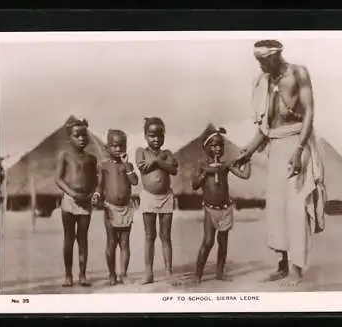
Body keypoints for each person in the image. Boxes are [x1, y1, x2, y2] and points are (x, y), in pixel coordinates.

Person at [233, 40, 327, 285]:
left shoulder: (298, 73)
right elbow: (265, 129)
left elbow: (309, 113)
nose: (260, 64)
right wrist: (247, 152)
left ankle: (297, 269)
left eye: (264, 60)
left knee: (296, 208)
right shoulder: (262, 81)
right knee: (277, 209)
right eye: (257, 60)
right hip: (275, 148)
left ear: (277, 55)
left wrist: (299, 149)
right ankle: (283, 265)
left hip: (297, 142)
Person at [191, 127, 251, 283]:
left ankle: (219, 273)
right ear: (206, 147)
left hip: (225, 209)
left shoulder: (226, 165)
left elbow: (245, 175)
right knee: (208, 241)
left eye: (220, 145)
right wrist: (206, 172)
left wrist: (248, 159)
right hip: (210, 209)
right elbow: (194, 185)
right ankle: (198, 275)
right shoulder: (202, 165)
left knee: (223, 243)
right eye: (213, 145)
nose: (217, 148)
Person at [55, 116, 99, 287]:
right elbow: (58, 179)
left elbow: (95, 180)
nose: (81, 138)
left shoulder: (92, 158)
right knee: (68, 238)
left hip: (86, 202)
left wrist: (92, 194)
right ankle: (68, 275)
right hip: (69, 200)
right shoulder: (64, 155)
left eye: (84, 135)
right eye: (77, 135)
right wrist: (73, 193)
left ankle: (82, 274)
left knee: (83, 238)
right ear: (69, 137)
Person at [135, 117, 179, 285]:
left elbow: (173, 170)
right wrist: (161, 162)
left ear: (164, 136)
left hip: (166, 197)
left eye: (160, 135)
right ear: (145, 135)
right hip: (148, 197)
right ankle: (148, 272)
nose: (156, 139)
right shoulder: (141, 151)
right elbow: (142, 166)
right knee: (149, 236)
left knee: (166, 236)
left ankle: (168, 272)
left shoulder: (166, 153)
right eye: (152, 135)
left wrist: (157, 161)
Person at [92, 129, 139, 286]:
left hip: (126, 208)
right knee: (111, 242)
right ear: (107, 148)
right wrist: (97, 195)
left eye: (121, 146)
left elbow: (134, 181)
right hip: (110, 208)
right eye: (114, 146)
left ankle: (123, 273)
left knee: (125, 243)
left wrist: (127, 165)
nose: (118, 149)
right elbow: (100, 186)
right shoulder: (104, 166)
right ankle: (112, 274)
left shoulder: (128, 166)